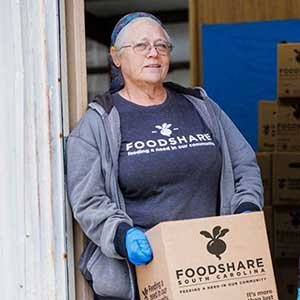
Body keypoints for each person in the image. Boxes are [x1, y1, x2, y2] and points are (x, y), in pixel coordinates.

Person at [66, 12, 263, 300]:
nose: (153, 54)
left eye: (161, 46)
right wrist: (122, 235)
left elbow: (243, 163)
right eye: (142, 46)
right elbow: (87, 199)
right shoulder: (99, 122)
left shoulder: (200, 106)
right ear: (116, 57)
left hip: (209, 270)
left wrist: (246, 207)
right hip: (140, 277)